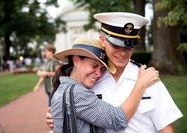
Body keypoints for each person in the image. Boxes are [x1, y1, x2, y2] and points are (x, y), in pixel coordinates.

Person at [46, 12, 183, 132]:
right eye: (116, 45)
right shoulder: (90, 82)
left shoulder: (148, 77)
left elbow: (166, 126)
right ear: (102, 40)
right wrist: (60, 116)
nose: (123, 52)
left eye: (128, 46)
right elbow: (113, 119)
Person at [50, 37, 159, 132]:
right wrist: (141, 84)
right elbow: (117, 120)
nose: (99, 74)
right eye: (94, 65)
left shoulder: (67, 89)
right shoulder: (76, 92)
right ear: (76, 60)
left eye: (102, 69)